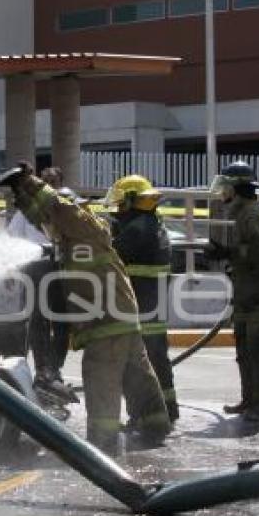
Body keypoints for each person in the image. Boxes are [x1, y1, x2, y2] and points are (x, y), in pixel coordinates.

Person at [8, 162, 171, 454]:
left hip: (107, 318)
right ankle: (154, 424)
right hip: (120, 313)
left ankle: (102, 442)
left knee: (100, 372)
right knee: (137, 374)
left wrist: (30, 181)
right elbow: (45, 219)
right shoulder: (73, 235)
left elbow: (57, 207)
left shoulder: (84, 224)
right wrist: (20, 195)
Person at [207, 161, 259, 423]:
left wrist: (228, 253)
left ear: (237, 188)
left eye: (226, 188)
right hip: (247, 298)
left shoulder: (253, 215)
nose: (223, 193)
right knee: (245, 352)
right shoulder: (241, 214)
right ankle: (250, 399)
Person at [105, 175, 179, 422]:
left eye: (120, 204)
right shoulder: (152, 222)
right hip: (151, 304)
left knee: (139, 363)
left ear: (131, 201)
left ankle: (147, 415)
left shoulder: (137, 227)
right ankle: (168, 409)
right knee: (157, 358)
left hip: (141, 303)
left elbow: (113, 255)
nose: (117, 210)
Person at [7, 166, 76, 405]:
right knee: (37, 321)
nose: (47, 184)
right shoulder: (26, 213)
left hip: (61, 270)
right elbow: (12, 239)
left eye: (52, 181)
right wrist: (11, 271)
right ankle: (43, 370)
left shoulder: (67, 206)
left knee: (62, 323)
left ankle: (54, 369)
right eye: (44, 180)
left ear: (59, 183)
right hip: (34, 269)